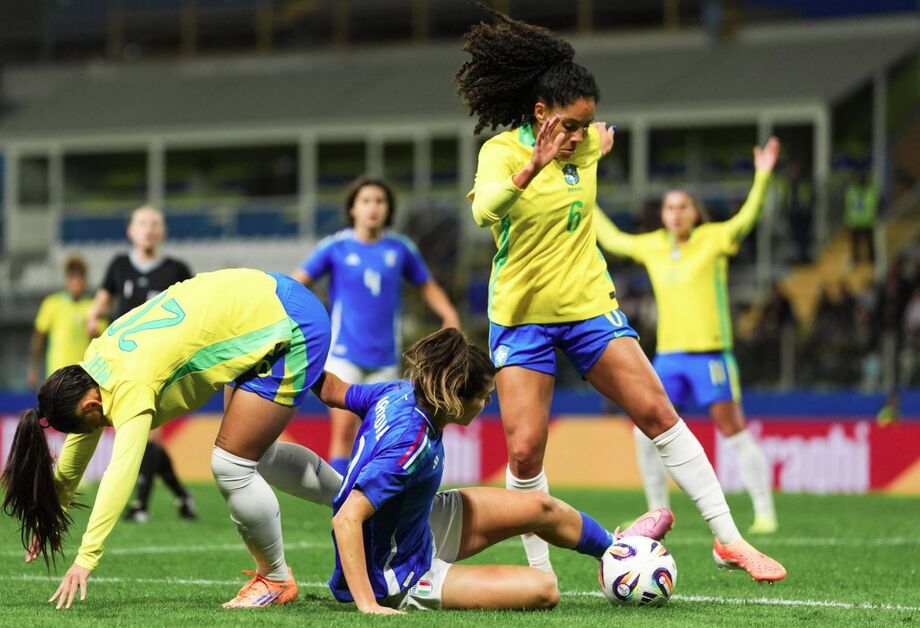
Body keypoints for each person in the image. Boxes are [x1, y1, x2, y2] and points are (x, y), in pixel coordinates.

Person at [456, 8, 784, 581]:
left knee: (659, 412)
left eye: (590, 125)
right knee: (526, 450)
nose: (582, 135)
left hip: (588, 307)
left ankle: (730, 539)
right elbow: (484, 211)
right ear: (541, 114)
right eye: (572, 124)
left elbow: (587, 154)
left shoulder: (582, 147)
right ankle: (541, 572)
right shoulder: (502, 153)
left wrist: (592, 144)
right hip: (521, 315)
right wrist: (532, 166)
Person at [1, 269, 343, 609]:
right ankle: (354, 501)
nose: (97, 429)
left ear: (91, 404)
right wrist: (53, 511)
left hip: (289, 322)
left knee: (232, 464)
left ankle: (275, 579)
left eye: (92, 423)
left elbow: (119, 473)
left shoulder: (131, 386)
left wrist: (86, 558)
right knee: (258, 455)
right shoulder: (95, 359)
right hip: (264, 297)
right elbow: (82, 443)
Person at [318, 328, 674, 614]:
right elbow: (346, 519)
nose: (488, 402)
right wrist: (367, 605)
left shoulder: (399, 392)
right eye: (483, 396)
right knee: (543, 590)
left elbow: (334, 389)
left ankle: (618, 551)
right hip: (398, 572)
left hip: (414, 525)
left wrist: (291, 361)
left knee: (540, 507)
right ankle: (385, 594)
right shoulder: (408, 447)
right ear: (456, 397)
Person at [594, 137, 782, 534]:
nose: (676, 213)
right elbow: (610, 238)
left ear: (696, 212)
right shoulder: (654, 247)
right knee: (645, 432)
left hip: (711, 355)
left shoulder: (714, 240)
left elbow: (747, 218)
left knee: (732, 430)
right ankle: (657, 513)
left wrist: (763, 175)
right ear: (662, 215)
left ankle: (765, 512)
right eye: (670, 207)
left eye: (683, 207)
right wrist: (580, 190)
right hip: (669, 357)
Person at [293, 177, 460, 476]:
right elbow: (298, 282)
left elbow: (427, 285)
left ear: (388, 209)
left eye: (380, 201)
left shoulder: (401, 248)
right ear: (353, 209)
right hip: (344, 354)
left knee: (379, 433)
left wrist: (449, 314)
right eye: (366, 200)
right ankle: (341, 500)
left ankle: (367, 500)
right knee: (343, 430)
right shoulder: (335, 247)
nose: (373, 207)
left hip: (385, 359)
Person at [87, 205, 196, 523]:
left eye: (155, 224)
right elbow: (102, 302)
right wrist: (94, 319)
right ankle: (181, 494)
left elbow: (194, 307)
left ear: (162, 232)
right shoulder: (119, 265)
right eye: (142, 223)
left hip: (161, 360)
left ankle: (140, 505)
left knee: (148, 431)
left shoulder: (176, 270)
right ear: (130, 231)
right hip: (123, 361)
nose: (148, 228)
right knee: (139, 432)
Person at [27, 255, 95, 390]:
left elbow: (101, 341)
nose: (77, 283)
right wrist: (33, 368)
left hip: (83, 373)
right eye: (73, 279)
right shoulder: (52, 303)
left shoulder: (93, 306)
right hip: (57, 373)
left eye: (80, 279)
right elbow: (39, 337)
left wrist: (94, 332)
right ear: (67, 280)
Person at [843, 167, 879, 265]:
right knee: (856, 243)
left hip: (867, 221)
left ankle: (872, 259)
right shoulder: (853, 191)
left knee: (870, 242)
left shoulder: (871, 190)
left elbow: (875, 204)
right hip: (856, 221)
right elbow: (848, 206)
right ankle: (856, 259)